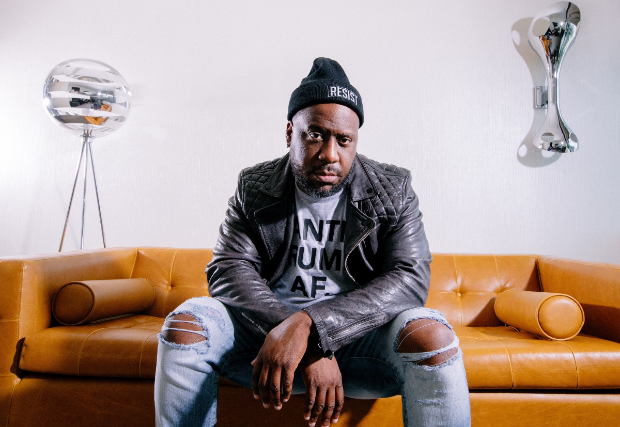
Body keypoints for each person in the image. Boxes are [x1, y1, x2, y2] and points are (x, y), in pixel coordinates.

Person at [154, 57, 471, 427]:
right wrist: (296, 336)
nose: (330, 155)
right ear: (291, 133)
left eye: (344, 140)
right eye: (316, 135)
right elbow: (228, 269)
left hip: (360, 341)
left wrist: (313, 328)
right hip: (266, 340)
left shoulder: (392, 188)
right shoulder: (254, 186)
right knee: (185, 326)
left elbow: (409, 278)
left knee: (431, 334)